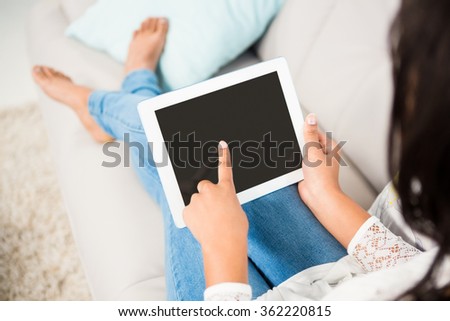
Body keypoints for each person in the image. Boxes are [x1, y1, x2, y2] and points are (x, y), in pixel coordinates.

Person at [32, 0, 450, 301]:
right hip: (344, 273)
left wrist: (222, 250)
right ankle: (117, 109)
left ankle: (115, 97)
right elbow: (416, 274)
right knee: (231, 161)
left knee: (187, 175)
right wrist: (327, 198)